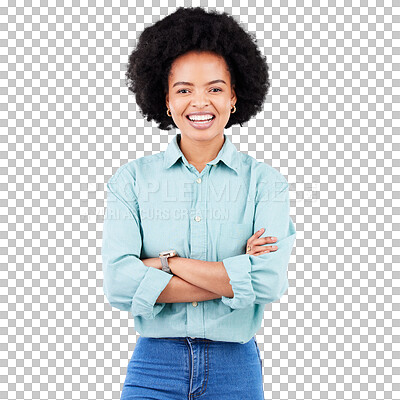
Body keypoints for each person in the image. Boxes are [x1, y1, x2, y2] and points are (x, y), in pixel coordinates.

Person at [102, 6, 296, 400]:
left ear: (235, 96)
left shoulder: (265, 184)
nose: (200, 102)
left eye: (215, 88)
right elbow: (120, 285)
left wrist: (164, 264)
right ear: (166, 100)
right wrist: (234, 275)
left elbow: (268, 281)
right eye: (184, 89)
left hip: (235, 368)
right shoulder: (131, 181)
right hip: (154, 366)